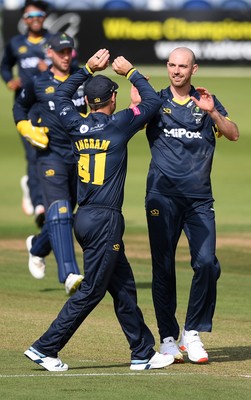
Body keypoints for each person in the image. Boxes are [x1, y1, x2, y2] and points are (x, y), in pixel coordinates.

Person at [23, 48, 175, 372]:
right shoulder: (118, 124)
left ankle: (142, 352)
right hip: (105, 218)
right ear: (111, 100)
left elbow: (62, 97)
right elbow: (153, 103)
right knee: (92, 290)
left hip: (85, 217)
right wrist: (131, 72)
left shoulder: (75, 125)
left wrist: (86, 70)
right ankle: (44, 347)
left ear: (89, 102)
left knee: (123, 285)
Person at [143, 47, 240, 363]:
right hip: (162, 197)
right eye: (171, 65)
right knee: (163, 267)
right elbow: (127, 124)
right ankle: (168, 338)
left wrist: (212, 112)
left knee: (208, 263)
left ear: (194, 69)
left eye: (182, 66)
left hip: (199, 199)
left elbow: (233, 133)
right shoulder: (156, 101)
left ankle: (192, 332)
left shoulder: (206, 100)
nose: (176, 71)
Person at [13, 32, 84, 295]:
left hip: (80, 156)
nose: (65, 56)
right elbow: (19, 108)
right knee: (61, 211)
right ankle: (69, 275)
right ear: (50, 53)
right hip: (50, 155)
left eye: (69, 51)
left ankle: (37, 246)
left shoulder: (82, 78)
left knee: (67, 216)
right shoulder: (38, 82)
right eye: (60, 52)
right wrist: (25, 127)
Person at [1, 0, 52, 227]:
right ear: (24, 19)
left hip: (51, 106)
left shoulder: (55, 41)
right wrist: (9, 80)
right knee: (34, 154)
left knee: (52, 153)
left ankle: (42, 194)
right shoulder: (16, 43)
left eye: (39, 14)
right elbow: (4, 65)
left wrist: (48, 70)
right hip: (25, 107)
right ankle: (41, 205)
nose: (35, 19)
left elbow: (69, 68)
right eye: (30, 15)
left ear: (44, 16)